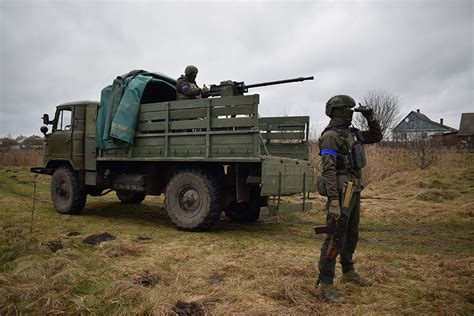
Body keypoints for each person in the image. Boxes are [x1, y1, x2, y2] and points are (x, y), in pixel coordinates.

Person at [316, 95, 383, 303]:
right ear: (338, 111)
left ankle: (348, 272)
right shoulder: (331, 136)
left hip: (354, 189)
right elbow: (328, 171)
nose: (351, 112)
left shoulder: (351, 133)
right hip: (341, 192)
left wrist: (370, 117)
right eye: (348, 109)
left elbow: (376, 136)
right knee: (335, 237)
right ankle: (326, 285)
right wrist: (334, 201)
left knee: (351, 234)